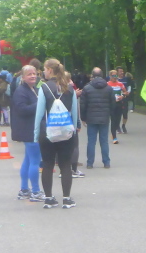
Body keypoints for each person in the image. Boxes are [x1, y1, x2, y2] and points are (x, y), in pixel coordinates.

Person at [34, 58, 79, 209]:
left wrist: (36, 134)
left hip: (48, 132)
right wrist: (74, 130)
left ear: (50, 70)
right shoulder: (70, 88)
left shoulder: (44, 87)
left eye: (44, 69)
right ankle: (66, 199)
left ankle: (48, 198)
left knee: (47, 165)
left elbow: (39, 114)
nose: (43, 72)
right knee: (65, 165)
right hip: (66, 132)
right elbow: (74, 113)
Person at [11, 65, 45, 202]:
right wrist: (40, 104)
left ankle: (24, 189)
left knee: (28, 160)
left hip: (30, 129)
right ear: (23, 77)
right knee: (35, 161)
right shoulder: (21, 91)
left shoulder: (33, 89)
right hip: (29, 130)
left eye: (34, 73)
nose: (33, 76)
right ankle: (35, 191)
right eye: (29, 74)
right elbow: (22, 110)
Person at [80, 67, 114, 169]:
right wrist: (110, 115)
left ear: (92, 75)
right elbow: (113, 104)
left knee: (91, 141)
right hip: (104, 118)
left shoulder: (87, 88)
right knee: (104, 141)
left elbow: (83, 105)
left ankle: (90, 163)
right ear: (102, 75)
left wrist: (83, 118)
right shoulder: (108, 88)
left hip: (91, 118)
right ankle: (106, 162)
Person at [107, 70, 127, 144]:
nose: (115, 77)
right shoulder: (107, 84)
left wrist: (122, 96)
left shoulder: (120, 84)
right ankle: (114, 137)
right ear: (110, 76)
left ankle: (113, 133)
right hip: (111, 104)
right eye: (113, 76)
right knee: (113, 120)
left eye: (116, 75)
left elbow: (125, 92)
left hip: (119, 104)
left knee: (118, 121)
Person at [116, 66, 133, 133]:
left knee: (125, 113)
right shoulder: (115, 80)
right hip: (117, 99)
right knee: (118, 114)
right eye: (120, 71)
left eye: (122, 71)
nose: (122, 73)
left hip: (125, 98)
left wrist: (128, 92)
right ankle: (117, 126)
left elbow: (129, 87)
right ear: (117, 72)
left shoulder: (126, 79)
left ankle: (123, 125)